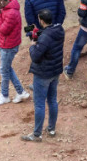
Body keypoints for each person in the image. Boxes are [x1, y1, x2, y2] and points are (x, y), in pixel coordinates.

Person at [22, 9, 65, 142]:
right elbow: (48, 40)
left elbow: (35, 56)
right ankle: (51, 129)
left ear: (41, 20)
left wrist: (32, 45)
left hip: (43, 73)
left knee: (39, 104)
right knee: (52, 100)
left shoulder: (45, 36)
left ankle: (37, 134)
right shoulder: (59, 30)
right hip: (55, 71)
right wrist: (37, 35)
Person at [0, 0, 29, 105]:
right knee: (7, 69)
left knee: (4, 70)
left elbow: (3, 30)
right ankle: (21, 92)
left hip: (9, 46)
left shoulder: (11, 13)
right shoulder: (6, 9)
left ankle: (5, 95)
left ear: (1, 1)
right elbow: (0, 20)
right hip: (7, 44)